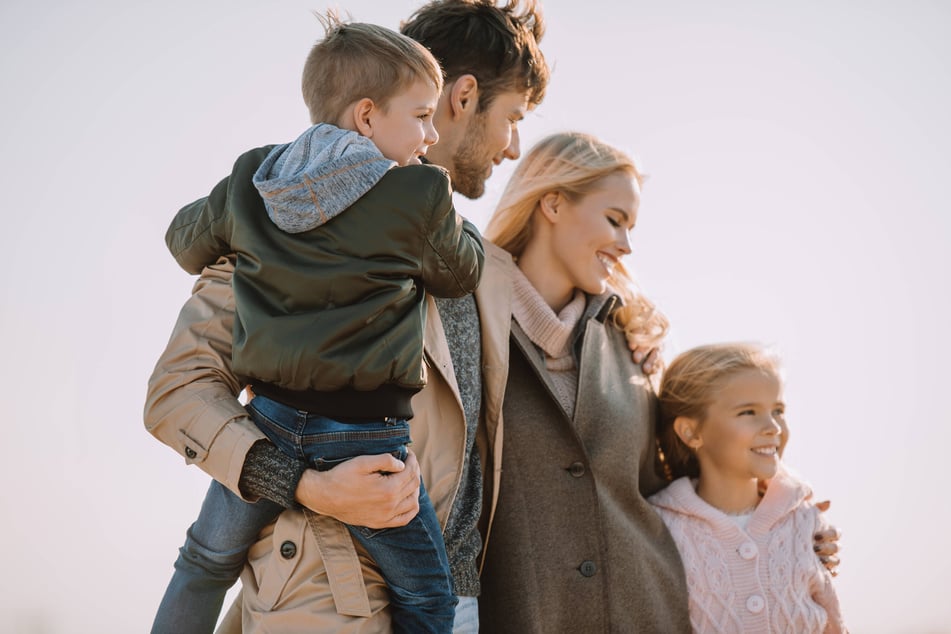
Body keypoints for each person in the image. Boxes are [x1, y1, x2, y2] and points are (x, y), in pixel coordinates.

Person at [144, 1, 549, 632]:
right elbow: (178, 395)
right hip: (325, 603)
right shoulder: (282, 212)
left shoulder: (480, 258)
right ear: (463, 96)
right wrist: (300, 482)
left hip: (460, 605)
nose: (514, 146)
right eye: (514, 118)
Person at [474, 131, 691, 631]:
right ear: (552, 203)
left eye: (631, 227)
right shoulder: (467, 325)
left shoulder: (633, 342)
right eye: (615, 220)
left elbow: (677, 488)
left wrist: (782, 524)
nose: (627, 245)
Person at [649, 343, 847, 633]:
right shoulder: (659, 529)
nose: (774, 427)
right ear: (691, 432)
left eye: (778, 410)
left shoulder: (805, 520)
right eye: (748, 412)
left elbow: (833, 623)